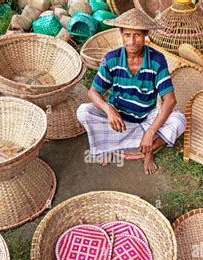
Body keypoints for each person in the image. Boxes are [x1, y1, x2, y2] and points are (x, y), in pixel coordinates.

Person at [76, 8, 186, 175]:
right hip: (118, 120)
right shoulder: (111, 58)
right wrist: (109, 110)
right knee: (83, 111)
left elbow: (170, 100)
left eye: (137, 35)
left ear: (145, 35)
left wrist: (150, 132)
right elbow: (93, 92)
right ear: (121, 34)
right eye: (127, 35)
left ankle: (147, 149)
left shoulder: (157, 60)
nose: (132, 41)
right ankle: (108, 146)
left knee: (179, 120)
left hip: (145, 119)